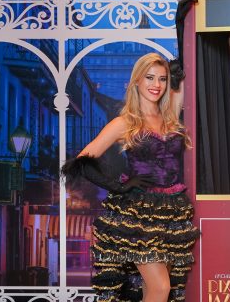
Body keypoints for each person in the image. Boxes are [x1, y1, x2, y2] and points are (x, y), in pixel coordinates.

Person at [61, 52, 199, 302]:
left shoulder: (169, 117)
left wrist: (176, 76)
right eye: (149, 78)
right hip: (138, 216)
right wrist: (119, 186)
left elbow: (181, 82)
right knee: (160, 288)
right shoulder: (124, 122)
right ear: (136, 81)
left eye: (162, 79)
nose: (156, 85)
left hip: (171, 212)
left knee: (154, 289)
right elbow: (82, 161)